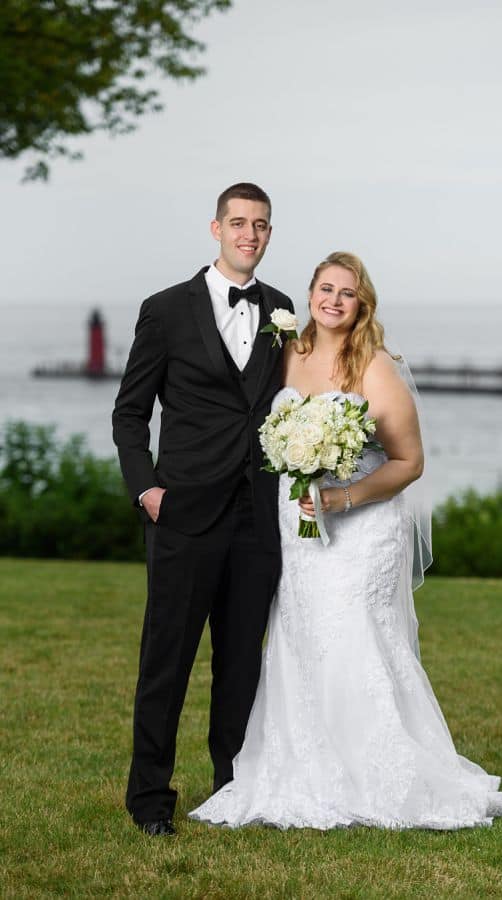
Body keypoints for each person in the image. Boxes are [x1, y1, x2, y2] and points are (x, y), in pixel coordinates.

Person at [189, 251, 502, 830]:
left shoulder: (376, 365)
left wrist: (344, 497)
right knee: (302, 636)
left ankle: (379, 773)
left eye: (347, 292)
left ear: (362, 304)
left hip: (360, 528)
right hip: (297, 527)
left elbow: (409, 462)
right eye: (326, 288)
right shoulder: (287, 354)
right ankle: (307, 768)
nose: (334, 300)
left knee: (354, 637)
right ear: (310, 294)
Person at [112, 183, 294, 836]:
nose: (250, 234)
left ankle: (231, 792)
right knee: (166, 663)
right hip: (183, 513)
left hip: (257, 517)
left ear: (269, 233)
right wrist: (146, 489)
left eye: (261, 225)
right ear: (216, 228)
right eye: (238, 222)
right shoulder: (165, 310)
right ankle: (149, 801)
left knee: (241, 664)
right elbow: (130, 413)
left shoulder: (282, 310)